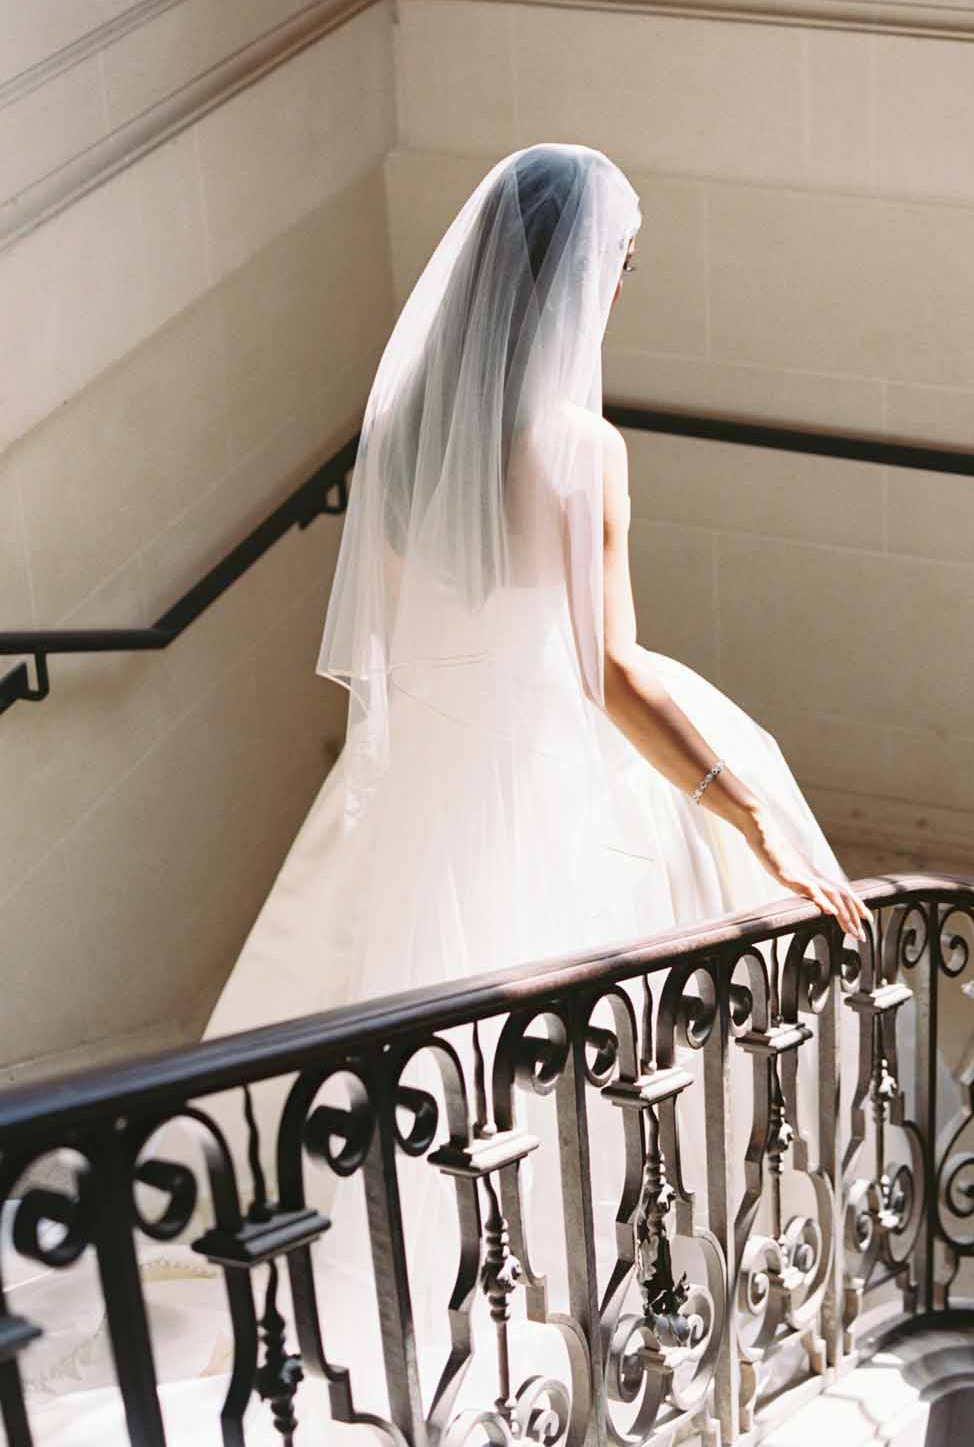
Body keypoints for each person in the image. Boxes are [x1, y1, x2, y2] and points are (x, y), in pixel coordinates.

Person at [16, 143, 866, 1443]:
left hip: (427, 779)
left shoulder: (406, 423)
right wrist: (745, 806)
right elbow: (610, 673)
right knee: (581, 1037)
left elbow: (403, 640)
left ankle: (413, 1313)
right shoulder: (579, 452)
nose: (618, 290)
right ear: (570, 279)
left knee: (408, 1047)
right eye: (618, 267)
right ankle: (599, 1302)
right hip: (546, 781)